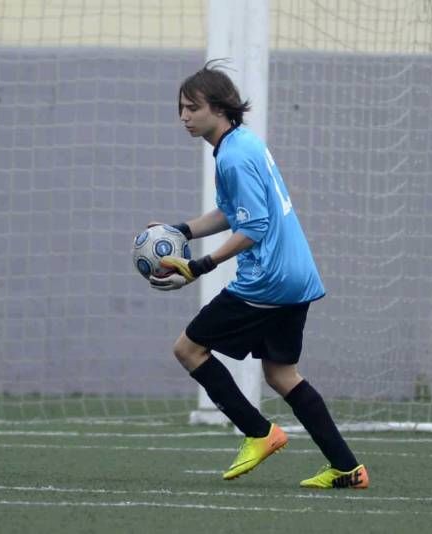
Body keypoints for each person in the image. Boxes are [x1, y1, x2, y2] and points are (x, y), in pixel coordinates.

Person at [148, 61, 369, 489]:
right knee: (282, 374)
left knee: (188, 349)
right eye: (180, 108)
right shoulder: (243, 143)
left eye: (191, 108)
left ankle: (259, 433)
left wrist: (199, 266)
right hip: (297, 275)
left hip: (267, 279)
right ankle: (348, 468)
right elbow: (236, 214)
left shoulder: (232, 156)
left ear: (218, 107)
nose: (184, 117)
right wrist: (183, 231)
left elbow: (255, 227)